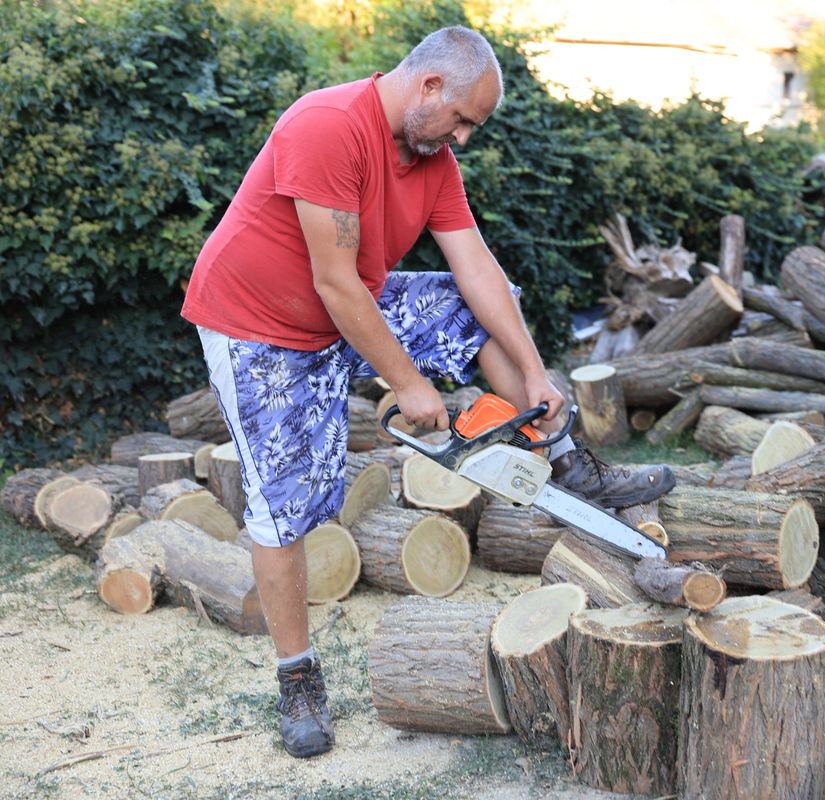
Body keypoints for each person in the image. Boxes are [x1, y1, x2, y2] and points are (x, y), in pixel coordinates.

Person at [180, 26, 674, 758]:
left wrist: (536, 373)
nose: (465, 138)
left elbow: (472, 264)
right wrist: (408, 384)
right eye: (464, 119)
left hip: (349, 305)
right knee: (283, 504)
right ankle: (297, 677)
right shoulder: (327, 127)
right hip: (261, 330)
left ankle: (568, 463)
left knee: (480, 302)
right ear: (430, 86)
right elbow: (335, 283)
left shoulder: (431, 155)